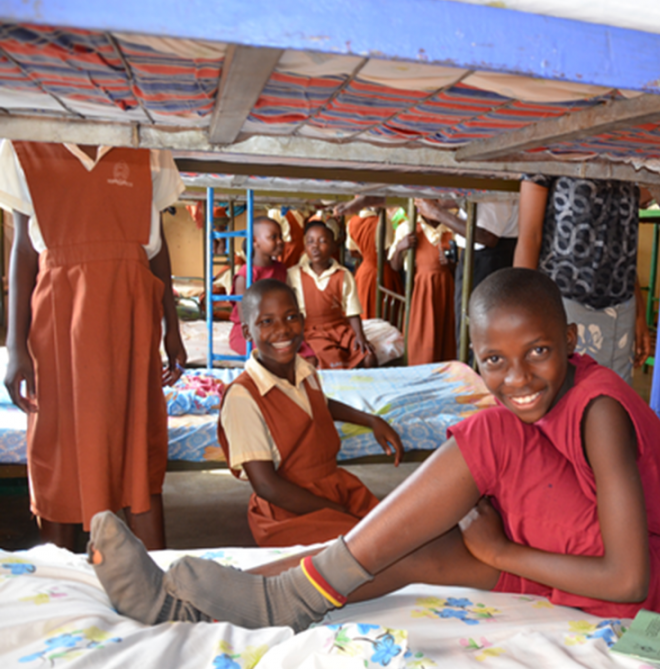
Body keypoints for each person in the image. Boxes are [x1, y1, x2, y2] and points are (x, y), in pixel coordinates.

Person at [87, 268, 660, 631]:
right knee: (407, 548)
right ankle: (186, 606)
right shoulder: (543, 402)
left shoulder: (601, 411)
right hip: (574, 548)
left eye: (539, 352)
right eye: (494, 361)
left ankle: (284, 600)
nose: (518, 377)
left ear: (571, 340)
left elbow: (629, 579)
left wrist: (500, 551)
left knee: (492, 431)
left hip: (645, 575)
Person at [0, 140, 187, 552]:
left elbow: (157, 248)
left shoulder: (146, 145)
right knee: (58, 443)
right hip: (58, 318)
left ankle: (154, 576)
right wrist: (15, 347)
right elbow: (23, 250)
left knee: (137, 442)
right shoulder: (23, 145)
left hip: (130, 313)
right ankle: (62, 575)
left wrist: (172, 326)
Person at [219, 279, 403, 547]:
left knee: (399, 534)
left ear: (303, 320)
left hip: (334, 487)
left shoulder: (303, 369)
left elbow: (317, 405)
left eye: (291, 317)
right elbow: (267, 486)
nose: (283, 329)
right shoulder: (243, 397)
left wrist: (370, 420)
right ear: (248, 332)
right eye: (267, 321)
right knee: (373, 547)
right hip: (288, 510)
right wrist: (337, 512)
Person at [514, 175, 650, 383]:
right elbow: (529, 237)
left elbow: (624, 244)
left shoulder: (628, 163)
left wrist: (639, 313)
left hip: (622, 309)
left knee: (615, 396)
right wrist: (521, 315)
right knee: (569, 393)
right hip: (564, 306)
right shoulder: (548, 159)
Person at [413, 198, 519, 338]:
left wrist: (437, 212)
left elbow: (487, 236)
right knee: (467, 328)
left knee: (476, 331)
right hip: (480, 259)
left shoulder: (491, 191)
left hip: (487, 262)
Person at [287, 220, 377, 369]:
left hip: (340, 329)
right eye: (310, 242)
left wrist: (360, 336)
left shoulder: (343, 274)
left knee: (369, 358)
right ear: (305, 247)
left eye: (322, 241)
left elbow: (353, 312)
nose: (315, 246)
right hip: (312, 332)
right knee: (333, 359)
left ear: (333, 247)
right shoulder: (293, 274)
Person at [390, 204, 456, 365]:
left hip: (446, 288)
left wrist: (451, 263)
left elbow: (459, 266)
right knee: (420, 336)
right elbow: (395, 266)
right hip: (421, 290)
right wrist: (400, 248)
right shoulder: (408, 228)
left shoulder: (451, 227)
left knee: (445, 338)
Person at [228, 216, 287, 356]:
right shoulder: (245, 275)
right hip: (250, 330)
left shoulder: (281, 269)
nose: (280, 241)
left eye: (281, 236)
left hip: (275, 326)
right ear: (255, 241)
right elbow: (244, 317)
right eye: (273, 237)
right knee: (267, 351)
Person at [346, 207, 404, 320]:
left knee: (363, 311)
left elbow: (352, 252)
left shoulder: (351, 222)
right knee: (385, 314)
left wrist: (367, 254)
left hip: (363, 273)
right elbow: (387, 254)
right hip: (383, 272)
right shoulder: (382, 221)